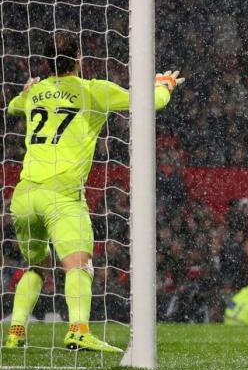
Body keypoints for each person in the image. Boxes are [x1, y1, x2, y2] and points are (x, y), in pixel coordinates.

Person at [3, 32, 185, 352]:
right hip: (62, 195)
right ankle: (78, 331)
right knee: (78, 264)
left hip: (25, 195)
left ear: (47, 62)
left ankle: (15, 331)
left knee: (37, 265)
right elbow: (150, 104)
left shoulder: (37, 93)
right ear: (78, 59)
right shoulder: (93, 90)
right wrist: (164, 85)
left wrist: (28, 90)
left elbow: (15, 108)